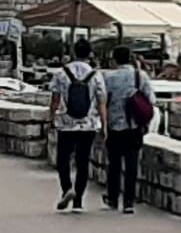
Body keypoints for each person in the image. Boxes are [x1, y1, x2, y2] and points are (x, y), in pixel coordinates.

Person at [98, 43, 154, 212]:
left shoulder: (108, 77)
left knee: (114, 164)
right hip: (134, 126)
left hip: (114, 126)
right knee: (132, 165)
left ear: (115, 60)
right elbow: (151, 100)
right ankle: (129, 202)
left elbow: (102, 101)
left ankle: (113, 198)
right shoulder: (141, 76)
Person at [49, 46, 100, 212]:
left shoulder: (61, 73)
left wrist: (51, 119)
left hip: (66, 123)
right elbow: (102, 102)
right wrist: (104, 125)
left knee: (63, 158)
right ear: (90, 54)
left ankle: (67, 188)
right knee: (82, 161)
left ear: (73, 53)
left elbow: (55, 100)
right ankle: (78, 201)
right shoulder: (95, 75)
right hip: (88, 124)